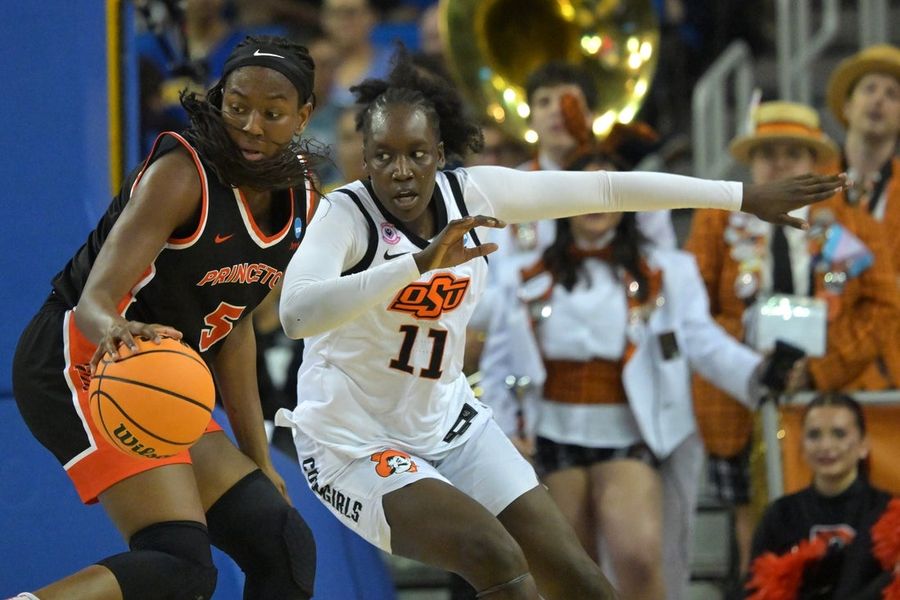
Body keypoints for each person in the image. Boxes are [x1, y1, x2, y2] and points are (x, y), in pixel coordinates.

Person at [274, 50, 843, 599]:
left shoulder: (472, 192)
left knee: (580, 577)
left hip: (447, 421)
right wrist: (417, 266)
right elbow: (296, 315)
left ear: (441, 151)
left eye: (418, 154)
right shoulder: (343, 216)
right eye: (383, 156)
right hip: (350, 441)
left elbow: (606, 188)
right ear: (365, 157)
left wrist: (742, 195)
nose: (401, 171)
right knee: (492, 553)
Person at [10, 36, 319, 600]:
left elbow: (235, 323)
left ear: (303, 115)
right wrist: (116, 331)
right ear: (219, 99)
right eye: (236, 106)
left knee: (282, 542)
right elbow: (94, 302)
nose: (250, 125)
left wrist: (257, 454)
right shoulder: (180, 176)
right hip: (82, 355)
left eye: (272, 114)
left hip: (158, 375)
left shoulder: (302, 198)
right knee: (181, 567)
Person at [478, 148, 800, 600]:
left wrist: (758, 373)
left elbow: (701, 341)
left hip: (633, 431)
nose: (594, 204)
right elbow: (499, 360)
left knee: (639, 555)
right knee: (572, 569)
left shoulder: (669, 271)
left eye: (606, 190)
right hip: (550, 432)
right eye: (582, 191)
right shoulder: (521, 273)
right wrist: (505, 430)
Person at [684, 100, 900, 582]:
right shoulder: (717, 220)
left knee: (845, 527)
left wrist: (821, 370)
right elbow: (690, 305)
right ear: (750, 162)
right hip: (738, 397)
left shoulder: (850, 222)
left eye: (793, 153)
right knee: (754, 534)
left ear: (814, 161)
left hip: (830, 395)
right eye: (767, 153)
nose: (779, 163)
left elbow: (883, 306)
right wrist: (748, 359)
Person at [745, 393, 895, 599]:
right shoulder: (781, 515)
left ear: (863, 445)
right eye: (814, 435)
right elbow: (754, 588)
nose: (825, 446)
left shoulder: (889, 513)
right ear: (802, 447)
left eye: (839, 434)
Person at [825, 44, 900, 385]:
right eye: (869, 89)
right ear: (847, 105)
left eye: (892, 94)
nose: (879, 100)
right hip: (827, 369)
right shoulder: (812, 190)